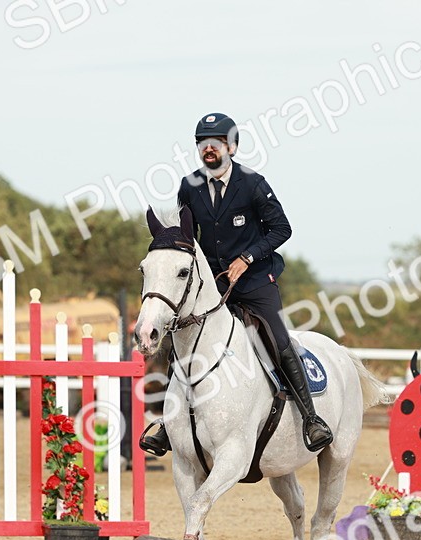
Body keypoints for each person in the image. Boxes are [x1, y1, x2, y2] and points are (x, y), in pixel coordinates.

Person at [140, 112, 333, 456]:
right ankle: (168, 425)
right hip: (213, 283)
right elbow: (190, 236)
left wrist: (247, 257)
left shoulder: (253, 182)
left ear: (231, 146)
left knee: (276, 335)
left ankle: (310, 417)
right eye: (202, 144)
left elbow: (281, 229)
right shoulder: (190, 185)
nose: (208, 149)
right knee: (184, 339)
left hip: (256, 278)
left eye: (214, 143)